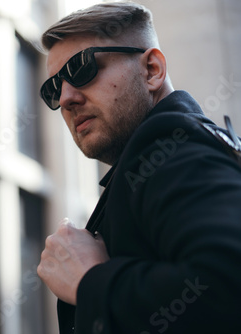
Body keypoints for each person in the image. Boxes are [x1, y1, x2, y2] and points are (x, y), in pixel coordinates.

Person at [36, 2, 241, 334]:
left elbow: (226, 283)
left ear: (152, 70)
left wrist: (91, 280)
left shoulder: (170, 150)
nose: (66, 97)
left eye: (82, 68)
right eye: (53, 88)